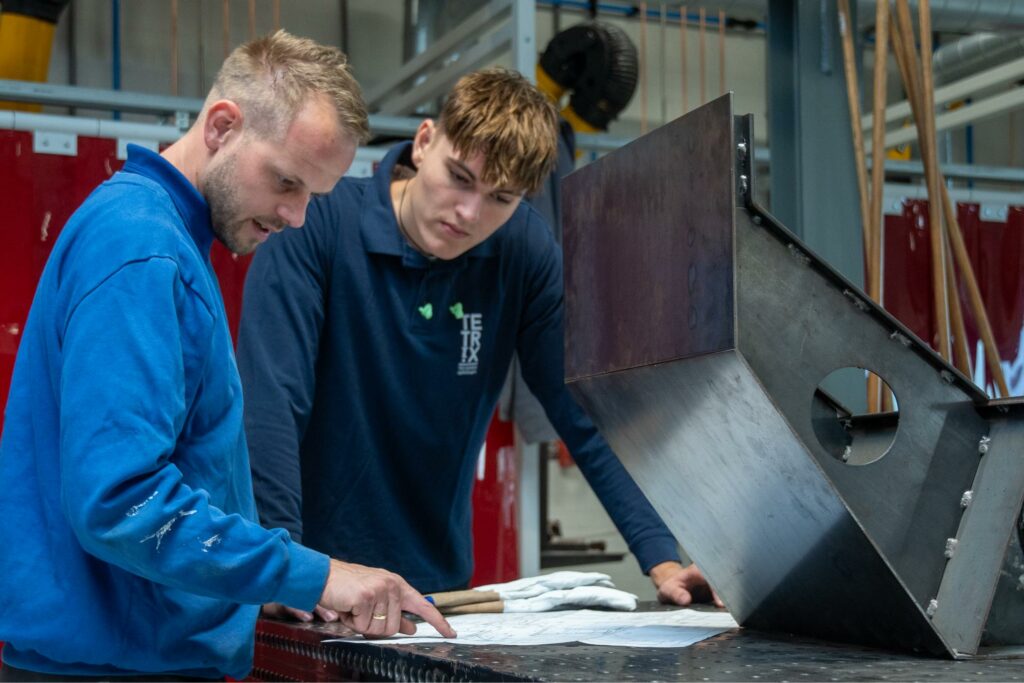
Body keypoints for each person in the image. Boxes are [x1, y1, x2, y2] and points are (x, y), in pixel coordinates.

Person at [0, 31, 453, 682]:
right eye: (286, 181)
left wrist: (258, 579)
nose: (296, 216)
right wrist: (313, 574)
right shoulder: (141, 247)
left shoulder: (169, 239)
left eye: (313, 196)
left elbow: (181, 479)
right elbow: (120, 501)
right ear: (222, 125)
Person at [237, 67, 721, 616]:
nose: (469, 213)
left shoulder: (524, 253)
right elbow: (271, 400)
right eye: (460, 177)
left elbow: (582, 411)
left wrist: (662, 556)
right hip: (311, 583)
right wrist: (288, 568)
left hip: (434, 587)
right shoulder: (317, 224)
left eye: (501, 197)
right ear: (424, 143)